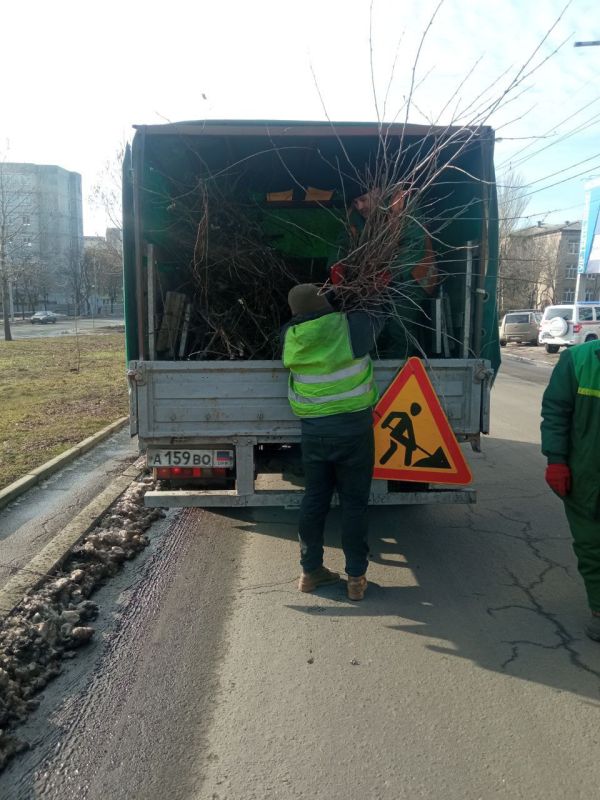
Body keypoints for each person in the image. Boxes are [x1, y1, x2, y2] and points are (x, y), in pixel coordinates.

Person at [282, 283, 384, 600]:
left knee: (314, 500)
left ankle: (310, 572)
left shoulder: (289, 336)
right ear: (325, 301)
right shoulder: (352, 326)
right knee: (354, 504)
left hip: (314, 430)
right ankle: (356, 578)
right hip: (354, 429)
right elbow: (381, 315)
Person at [328, 187, 438, 358]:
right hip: (375, 281)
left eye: (363, 199)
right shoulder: (355, 215)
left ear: (378, 192)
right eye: (356, 202)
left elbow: (413, 248)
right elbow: (343, 243)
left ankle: (397, 371)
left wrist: (387, 274)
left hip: (414, 277)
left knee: (397, 326)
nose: (359, 206)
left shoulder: (402, 206)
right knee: (369, 323)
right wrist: (337, 267)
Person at [540, 338, 600, 640]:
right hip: (587, 477)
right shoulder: (578, 361)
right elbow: (555, 413)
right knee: (592, 544)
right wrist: (556, 460)